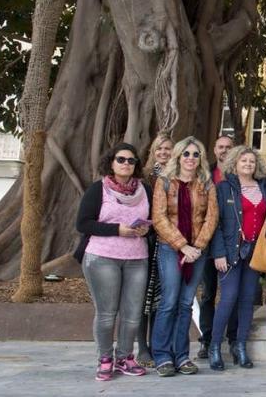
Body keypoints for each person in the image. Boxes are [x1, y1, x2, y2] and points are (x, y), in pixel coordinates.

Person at [75, 143, 152, 381]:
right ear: (111, 162)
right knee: (107, 313)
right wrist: (117, 229)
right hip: (103, 257)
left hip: (137, 259)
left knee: (133, 314)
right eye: (121, 159)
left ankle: (126, 357)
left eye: (131, 160)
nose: (126, 164)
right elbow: (84, 223)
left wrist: (144, 232)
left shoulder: (145, 190)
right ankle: (105, 359)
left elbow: (153, 222)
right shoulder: (98, 189)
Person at [151, 136, 218, 377]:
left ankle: (181, 356)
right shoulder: (165, 182)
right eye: (186, 154)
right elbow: (159, 218)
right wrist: (182, 245)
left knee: (186, 303)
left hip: (198, 251)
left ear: (201, 158)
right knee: (169, 302)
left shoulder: (207, 184)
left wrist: (197, 246)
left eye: (196, 154)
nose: (191, 158)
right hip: (171, 248)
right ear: (178, 156)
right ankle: (162, 356)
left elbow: (212, 218)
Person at [208, 146, 266, 371]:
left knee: (247, 300)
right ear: (234, 163)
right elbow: (214, 224)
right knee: (228, 299)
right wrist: (218, 253)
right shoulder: (224, 188)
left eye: (252, 162)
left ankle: (240, 346)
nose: (248, 165)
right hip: (230, 251)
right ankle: (214, 347)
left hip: (255, 252)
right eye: (243, 161)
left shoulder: (264, 188)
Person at [135, 132, 173, 368]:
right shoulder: (145, 179)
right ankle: (142, 347)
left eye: (168, 149)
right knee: (142, 297)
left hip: (169, 244)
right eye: (159, 149)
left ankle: (158, 343)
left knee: (162, 297)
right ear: (152, 152)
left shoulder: (178, 177)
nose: (163, 153)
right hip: (146, 243)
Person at [197, 135, 236, 359]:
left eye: (228, 147)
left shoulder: (240, 175)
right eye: (220, 147)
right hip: (206, 242)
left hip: (231, 244)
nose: (224, 150)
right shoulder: (205, 174)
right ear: (214, 149)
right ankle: (208, 339)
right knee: (208, 293)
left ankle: (232, 337)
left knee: (232, 294)